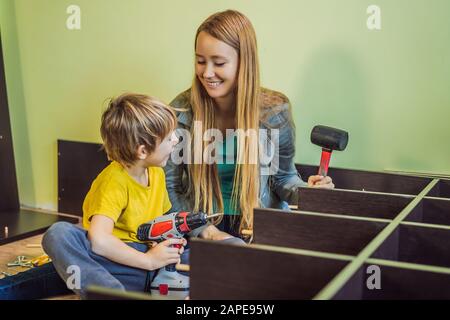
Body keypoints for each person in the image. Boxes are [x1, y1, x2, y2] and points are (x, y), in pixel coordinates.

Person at [165, 10, 334, 239]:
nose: (207, 73)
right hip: (202, 228)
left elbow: (284, 179)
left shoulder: (275, 112)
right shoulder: (181, 112)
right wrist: (203, 230)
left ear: (244, 62)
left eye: (219, 63)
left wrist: (309, 192)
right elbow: (169, 187)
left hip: (258, 229)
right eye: (201, 61)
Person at [0, 93, 185, 299]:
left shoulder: (157, 173)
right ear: (142, 151)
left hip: (142, 267)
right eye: (169, 138)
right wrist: (149, 261)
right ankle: (107, 293)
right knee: (59, 234)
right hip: (108, 263)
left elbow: (160, 221)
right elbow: (99, 241)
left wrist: (170, 243)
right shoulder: (114, 182)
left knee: (203, 256)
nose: (176, 140)